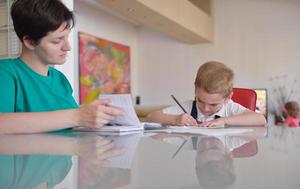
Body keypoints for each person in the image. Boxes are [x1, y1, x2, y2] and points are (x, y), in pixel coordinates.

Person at [0, 0, 123, 134]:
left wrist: (89, 114)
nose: (67, 47)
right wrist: (77, 116)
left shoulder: (60, 79)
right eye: (57, 41)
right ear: (30, 42)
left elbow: (67, 122)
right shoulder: (6, 73)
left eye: (66, 38)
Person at [146, 61, 266, 127]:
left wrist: (224, 121)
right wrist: (175, 119)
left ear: (228, 97)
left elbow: (260, 119)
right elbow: (151, 117)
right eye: (200, 101)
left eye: (213, 104)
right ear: (195, 91)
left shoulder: (229, 107)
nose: (205, 108)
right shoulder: (189, 107)